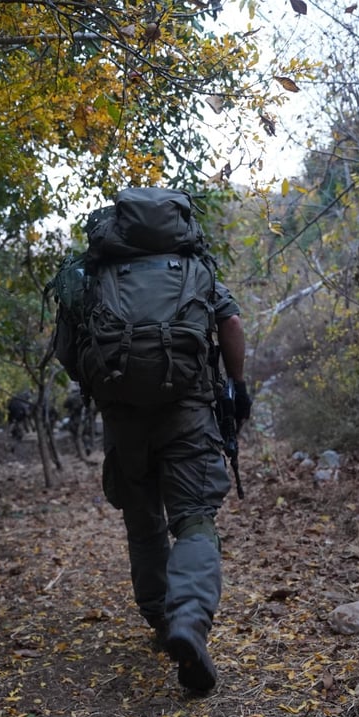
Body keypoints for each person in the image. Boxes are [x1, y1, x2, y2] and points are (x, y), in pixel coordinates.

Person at [96, 270, 251, 695]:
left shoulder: (99, 273)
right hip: (188, 411)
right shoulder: (191, 267)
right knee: (194, 520)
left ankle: (162, 623)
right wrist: (237, 386)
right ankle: (189, 620)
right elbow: (232, 324)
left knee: (143, 523)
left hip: (123, 420)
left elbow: (73, 347)